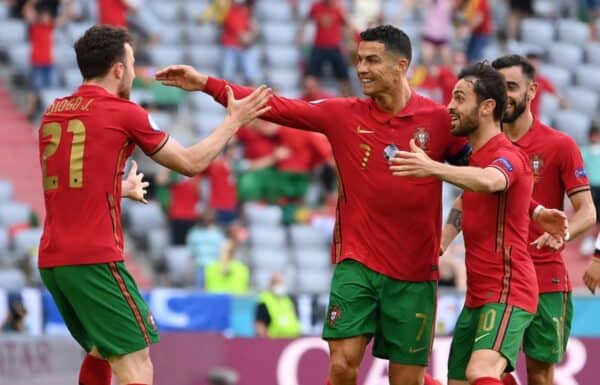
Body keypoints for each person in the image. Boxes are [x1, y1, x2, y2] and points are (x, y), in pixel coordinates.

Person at [157, 25, 473, 385]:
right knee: (340, 367)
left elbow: (479, 179)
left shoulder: (438, 122)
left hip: (415, 274)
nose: (362, 69)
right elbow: (274, 106)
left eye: (372, 60)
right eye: (358, 60)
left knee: (406, 380)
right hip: (358, 263)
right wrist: (206, 84)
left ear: (401, 66)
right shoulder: (344, 114)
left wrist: (450, 237)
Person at [37, 25, 271, 385]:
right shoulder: (124, 112)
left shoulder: (54, 112)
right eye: (131, 63)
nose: (133, 70)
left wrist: (119, 187)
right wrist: (234, 120)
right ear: (118, 69)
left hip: (54, 260)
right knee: (138, 366)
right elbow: (191, 163)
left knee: (101, 350)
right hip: (94, 258)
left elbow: (71, 184)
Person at [389, 62, 568, 385]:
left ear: (487, 107)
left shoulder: (507, 155)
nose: (450, 106)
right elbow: (469, 197)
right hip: (477, 295)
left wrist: (431, 167)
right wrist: (442, 242)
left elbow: (489, 181)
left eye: (459, 98)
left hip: (509, 290)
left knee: (480, 372)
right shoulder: (476, 157)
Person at [490, 54, 596, 385]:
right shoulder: (482, 146)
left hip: (545, 278)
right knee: (487, 368)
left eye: (512, 86)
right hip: (496, 279)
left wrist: (563, 235)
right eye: (498, 87)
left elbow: (588, 211)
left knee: (539, 375)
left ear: (532, 91)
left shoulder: (559, 145)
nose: (504, 95)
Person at [254, 272, 301, 338]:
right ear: (270, 284)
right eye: (276, 283)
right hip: (274, 341)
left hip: (292, 340)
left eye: (281, 283)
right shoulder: (264, 301)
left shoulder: (287, 300)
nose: (279, 285)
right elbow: (260, 324)